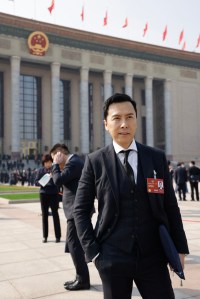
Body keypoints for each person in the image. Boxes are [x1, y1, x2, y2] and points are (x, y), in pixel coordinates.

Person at [74, 93, 189, 299]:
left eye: (130, 117)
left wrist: (180, 248)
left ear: (137, 120)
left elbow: (171, 206)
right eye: (117, 118)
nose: (124, 124)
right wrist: (94, 252)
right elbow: (80, 210)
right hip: (112, 257)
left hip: (153, 256)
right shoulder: (95, 161)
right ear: (106, 124)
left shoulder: (155, 157)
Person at [50, 143, 90, 291]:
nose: (54, 160)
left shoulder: (73, 163)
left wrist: (54, 165)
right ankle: (81, 277)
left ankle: (83, 280)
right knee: (74, 245)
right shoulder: (74, 162)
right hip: (76, 209)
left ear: (60, 153)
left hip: (77, 209)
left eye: (54, 157)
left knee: (74, 245)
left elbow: (57, 181)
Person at [35, 154, 61, 243]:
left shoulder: (55, 170)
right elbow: (36, 182)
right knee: (44, 215)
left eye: (50, 162)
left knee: (55, 215)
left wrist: (52, 177)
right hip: (44, 194)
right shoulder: (40, 171)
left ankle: (58, 236)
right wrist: (43, 181)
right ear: (44, 163)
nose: (48, 164)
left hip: (53, 194)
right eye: (46, 162)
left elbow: (59, 181)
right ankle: (45, 236)